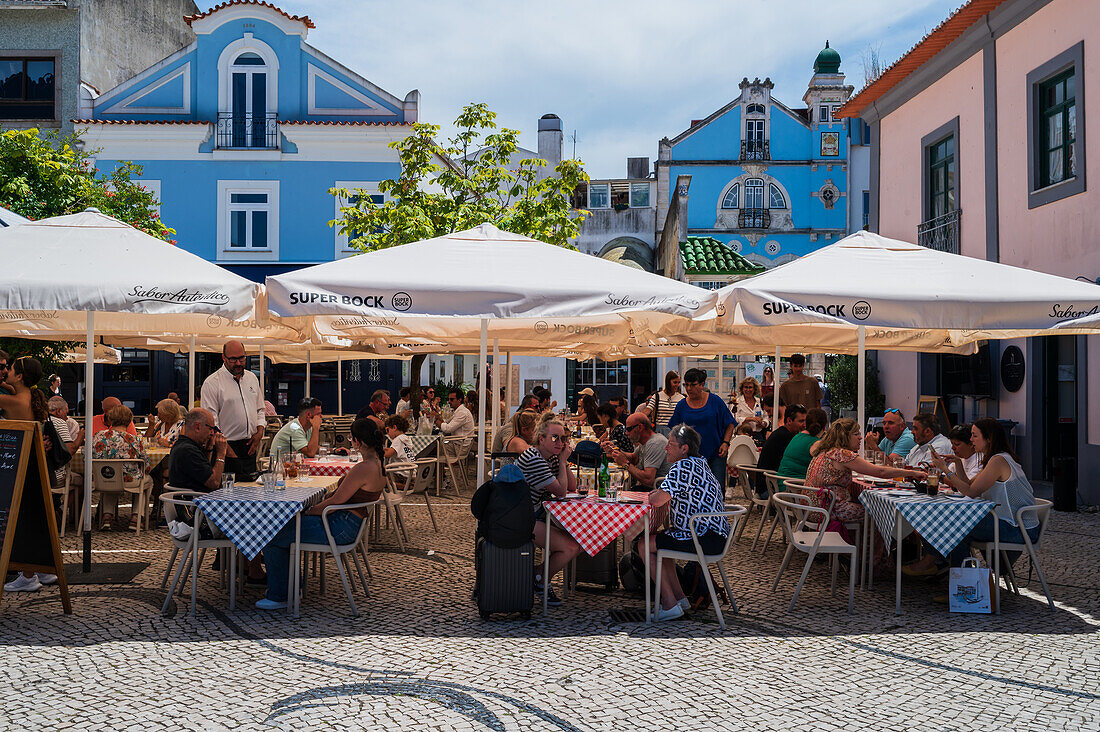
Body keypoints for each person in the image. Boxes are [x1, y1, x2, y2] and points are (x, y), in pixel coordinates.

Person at [257, 417, 388, 611]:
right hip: (350, 524)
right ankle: (292, 587)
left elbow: (335, 502)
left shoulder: (363, 469)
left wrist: (310, 510)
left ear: (357, 441)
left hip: (339, 527)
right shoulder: (378, 465)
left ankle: (281, 594)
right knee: (286, 526)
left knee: (271, 532)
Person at [905, 418, 1038, 581]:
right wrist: (957, 463)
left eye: (974, 436)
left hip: (1018, 528)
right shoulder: (996, 458)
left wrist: (945, 469)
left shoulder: (998, 461)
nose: (971, 440)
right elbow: (968, 484)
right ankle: (954, 580)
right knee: (954, 524)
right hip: (1012, 523)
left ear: (988, 438)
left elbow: (969, 492)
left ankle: (958, 581)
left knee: (956, 527)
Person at [638, 424, 730, 621]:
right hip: (715, 535)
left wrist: (656, 493)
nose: (666, 448)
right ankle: (680, 599)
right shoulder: (700, 463)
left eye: (670, 444)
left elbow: (656, 500)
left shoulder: (682, 467)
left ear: (684, 449)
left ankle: (670, 603)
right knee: (662, 540)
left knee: (644, 544)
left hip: (702, 537)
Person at [0, 357, 60, 593]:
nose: (6, 372)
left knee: (23, 520)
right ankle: (44, 568)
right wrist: (6, 384)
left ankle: (27, 575)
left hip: (20, 467)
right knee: (38, 517)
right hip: (37, 466)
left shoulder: (12, 402)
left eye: (11, 369)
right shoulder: (31, 399)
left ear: (20, 376)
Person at [805, 418, 926, 524]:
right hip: (827, 511)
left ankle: (858, 544)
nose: (860, 437)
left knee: (871, 507)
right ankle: (871, 549)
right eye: (856, 434)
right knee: (881, 514)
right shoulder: (842, 454)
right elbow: (880, 472)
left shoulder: (825, 450)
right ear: (845, 436)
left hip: (811, 508)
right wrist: (912, 473)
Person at [515, 418, 581, 605]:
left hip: (534, 514)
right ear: (541, 439)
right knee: (571, 547)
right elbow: (561, 490)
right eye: (554, 438)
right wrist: (562, 461)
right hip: (520, 519)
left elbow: (572, 487)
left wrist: (563, 461)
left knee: (580, 539)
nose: (559, 443)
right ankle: (540, 579)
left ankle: (538, 575)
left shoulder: (549, 456)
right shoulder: (534, 458)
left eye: (562, 439)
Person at [201, 340, 264, 477]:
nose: (238, 363)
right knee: (228, 494)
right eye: (233, 359)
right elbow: (212, 424)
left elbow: (260, 409)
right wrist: (228, 452)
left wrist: (259, 432)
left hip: (250, 447)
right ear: (223, 358)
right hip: (225, 448)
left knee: (251, 493)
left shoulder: (252, 378)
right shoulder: (212, 383)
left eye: (242, 358)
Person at [667, 368, 736, 484]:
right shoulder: (681, 405)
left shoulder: (715, 401)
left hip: (715, 453)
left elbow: (730, 423)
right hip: (690, 457)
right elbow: (675, 431)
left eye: (693, 385)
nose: (689, 389)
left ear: (702, 384)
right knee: (692, 488)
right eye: (686, 385)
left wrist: (726, 443)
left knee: (717, 486)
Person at [90, 404, 149, 530]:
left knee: (109, 478)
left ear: (111, 419)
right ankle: (136, 518)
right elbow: (146, 463)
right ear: (129, 421)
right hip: (130, 481)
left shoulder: (99, 436)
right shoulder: (135, 440)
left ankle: (106, 518)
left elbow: (86, 454)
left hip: (103, 479)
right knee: (145, 481)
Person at [167, 408, 228, 493]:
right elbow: (214, 483)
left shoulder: (182, 444)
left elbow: (205, 472)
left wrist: (209, 448)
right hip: (193, 503)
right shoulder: (188, 451)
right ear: (197, 427)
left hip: (192, 500)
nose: (212, 433)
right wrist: (221, 453)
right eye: (210, 428)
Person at [754, 404, 807, 496]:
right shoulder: (786, 437)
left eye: (806, 421)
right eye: (801, 421)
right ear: (789, 421)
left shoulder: (781, 433)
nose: (805, 425)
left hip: (765, 487)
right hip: (770, 490)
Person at [609, 413, 669, 489]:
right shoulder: (646, 442)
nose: (626, 433)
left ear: (640, 427)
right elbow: (634, 458)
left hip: (658, 491)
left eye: (628, 429)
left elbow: (648, 479)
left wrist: (625, 463)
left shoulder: (655, 443)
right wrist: (614, 450)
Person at [777, 407, 828, 481]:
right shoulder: (816, 444)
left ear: (806, 423)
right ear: (824, 427)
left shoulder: (797, 436)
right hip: (796, 487)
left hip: (781, 483)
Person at [778, 353, 822, 419]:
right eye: (795, 366)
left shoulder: (813, 382)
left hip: (811, 420)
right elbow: (784, 407)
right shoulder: (785, 386)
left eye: (800, 366)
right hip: (794, 422)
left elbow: (818, 405)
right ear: (791, 366)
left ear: (803, 365)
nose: (798, 369)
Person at [641, 371, 683, 436]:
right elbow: (647, 410)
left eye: (679, 382)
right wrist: (637, 417)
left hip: (675, 431)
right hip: (660, 431)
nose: (677, 385)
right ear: (668, 382)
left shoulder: (681, 398)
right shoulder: (657, 396)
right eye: (675, 382)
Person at [731, 376, 769, 443]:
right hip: (742, 436)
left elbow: (766, 417)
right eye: (746, 387)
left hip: (758, 436)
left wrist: (764, 423)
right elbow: (733, 419)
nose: (748, 390)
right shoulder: (736, 402)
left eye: (750, 387)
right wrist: (749, 419)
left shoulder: (760, 402)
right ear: (742, 389)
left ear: (754, 389)